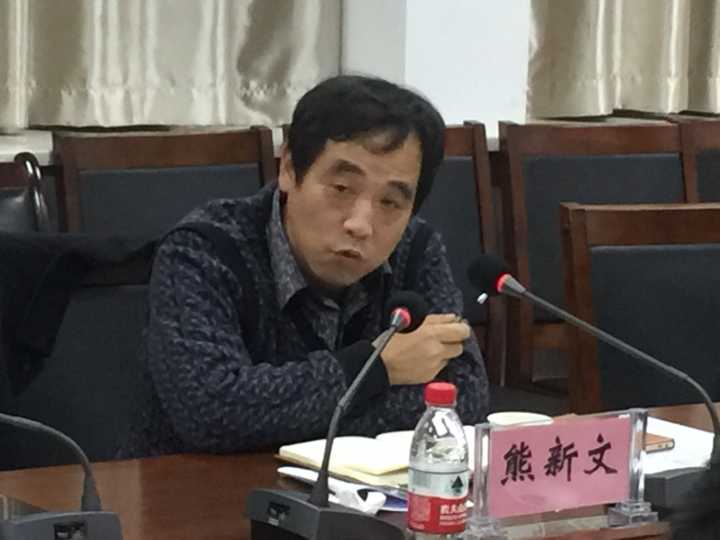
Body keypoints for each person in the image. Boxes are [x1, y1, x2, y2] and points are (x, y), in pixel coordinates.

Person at [120, 75, 489, 457]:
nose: (361, 224)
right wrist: (376, 368)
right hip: (194, 488)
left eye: (390, 203)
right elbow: (211, 410)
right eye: (342, 189)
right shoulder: (203, 251)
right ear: (289, 169)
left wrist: (281, 416)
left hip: (360, 490)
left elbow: (465, 398)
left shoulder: (416, 249)